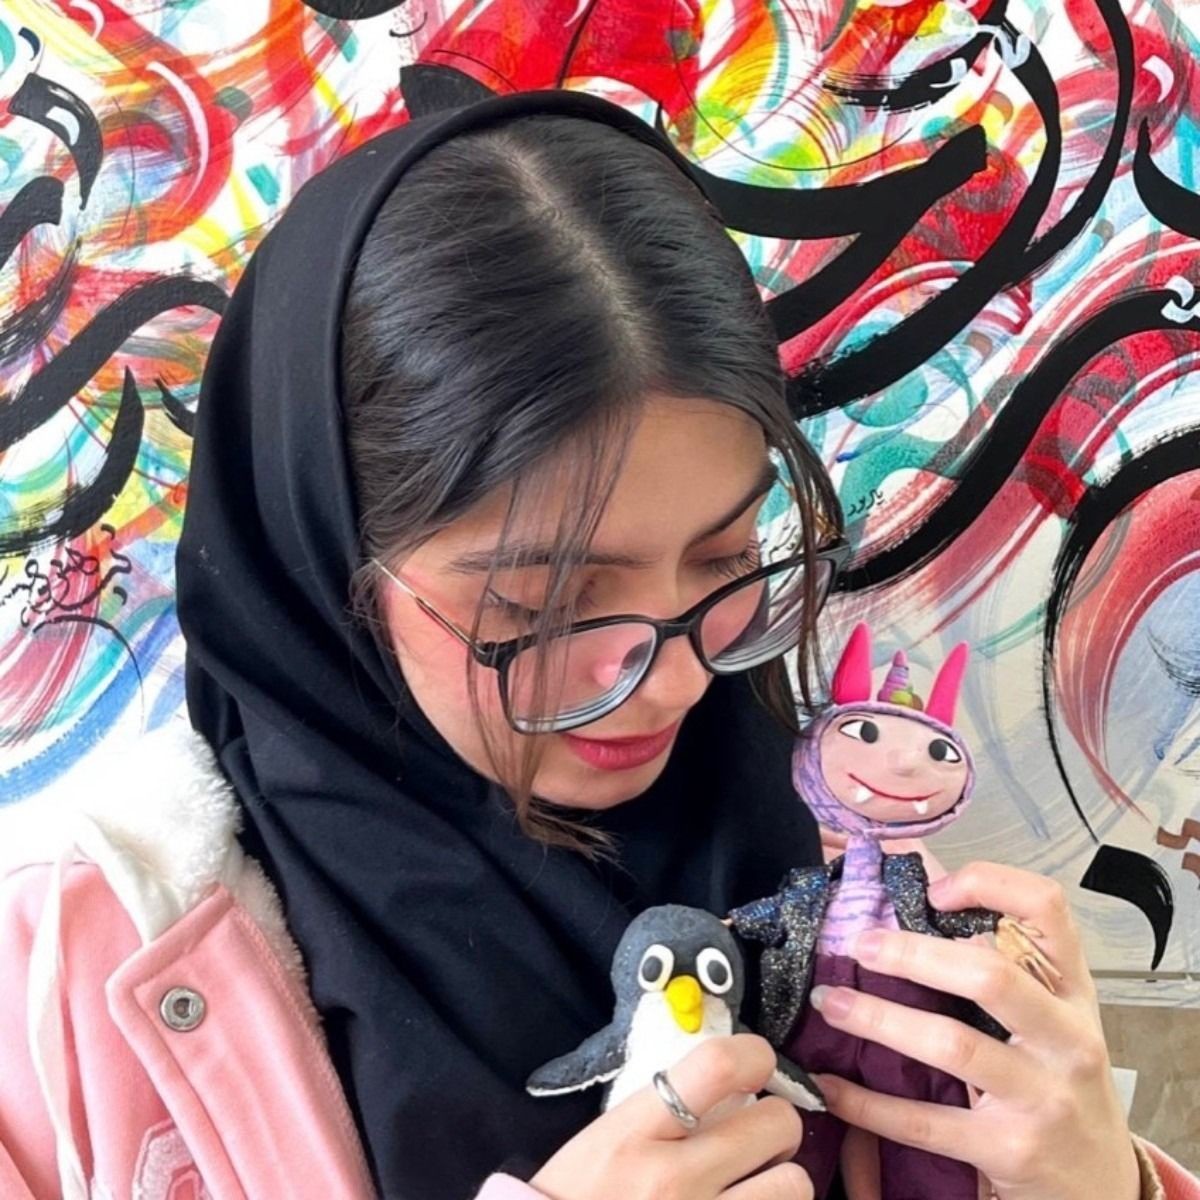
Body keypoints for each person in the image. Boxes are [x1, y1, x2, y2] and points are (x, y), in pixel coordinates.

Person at [0, 89, 1195, 1200]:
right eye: (541, 611)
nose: (672, 681)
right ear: (323, 562)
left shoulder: (845, 861)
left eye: (725, 562)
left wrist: (1105, 1182)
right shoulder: (64, 973)